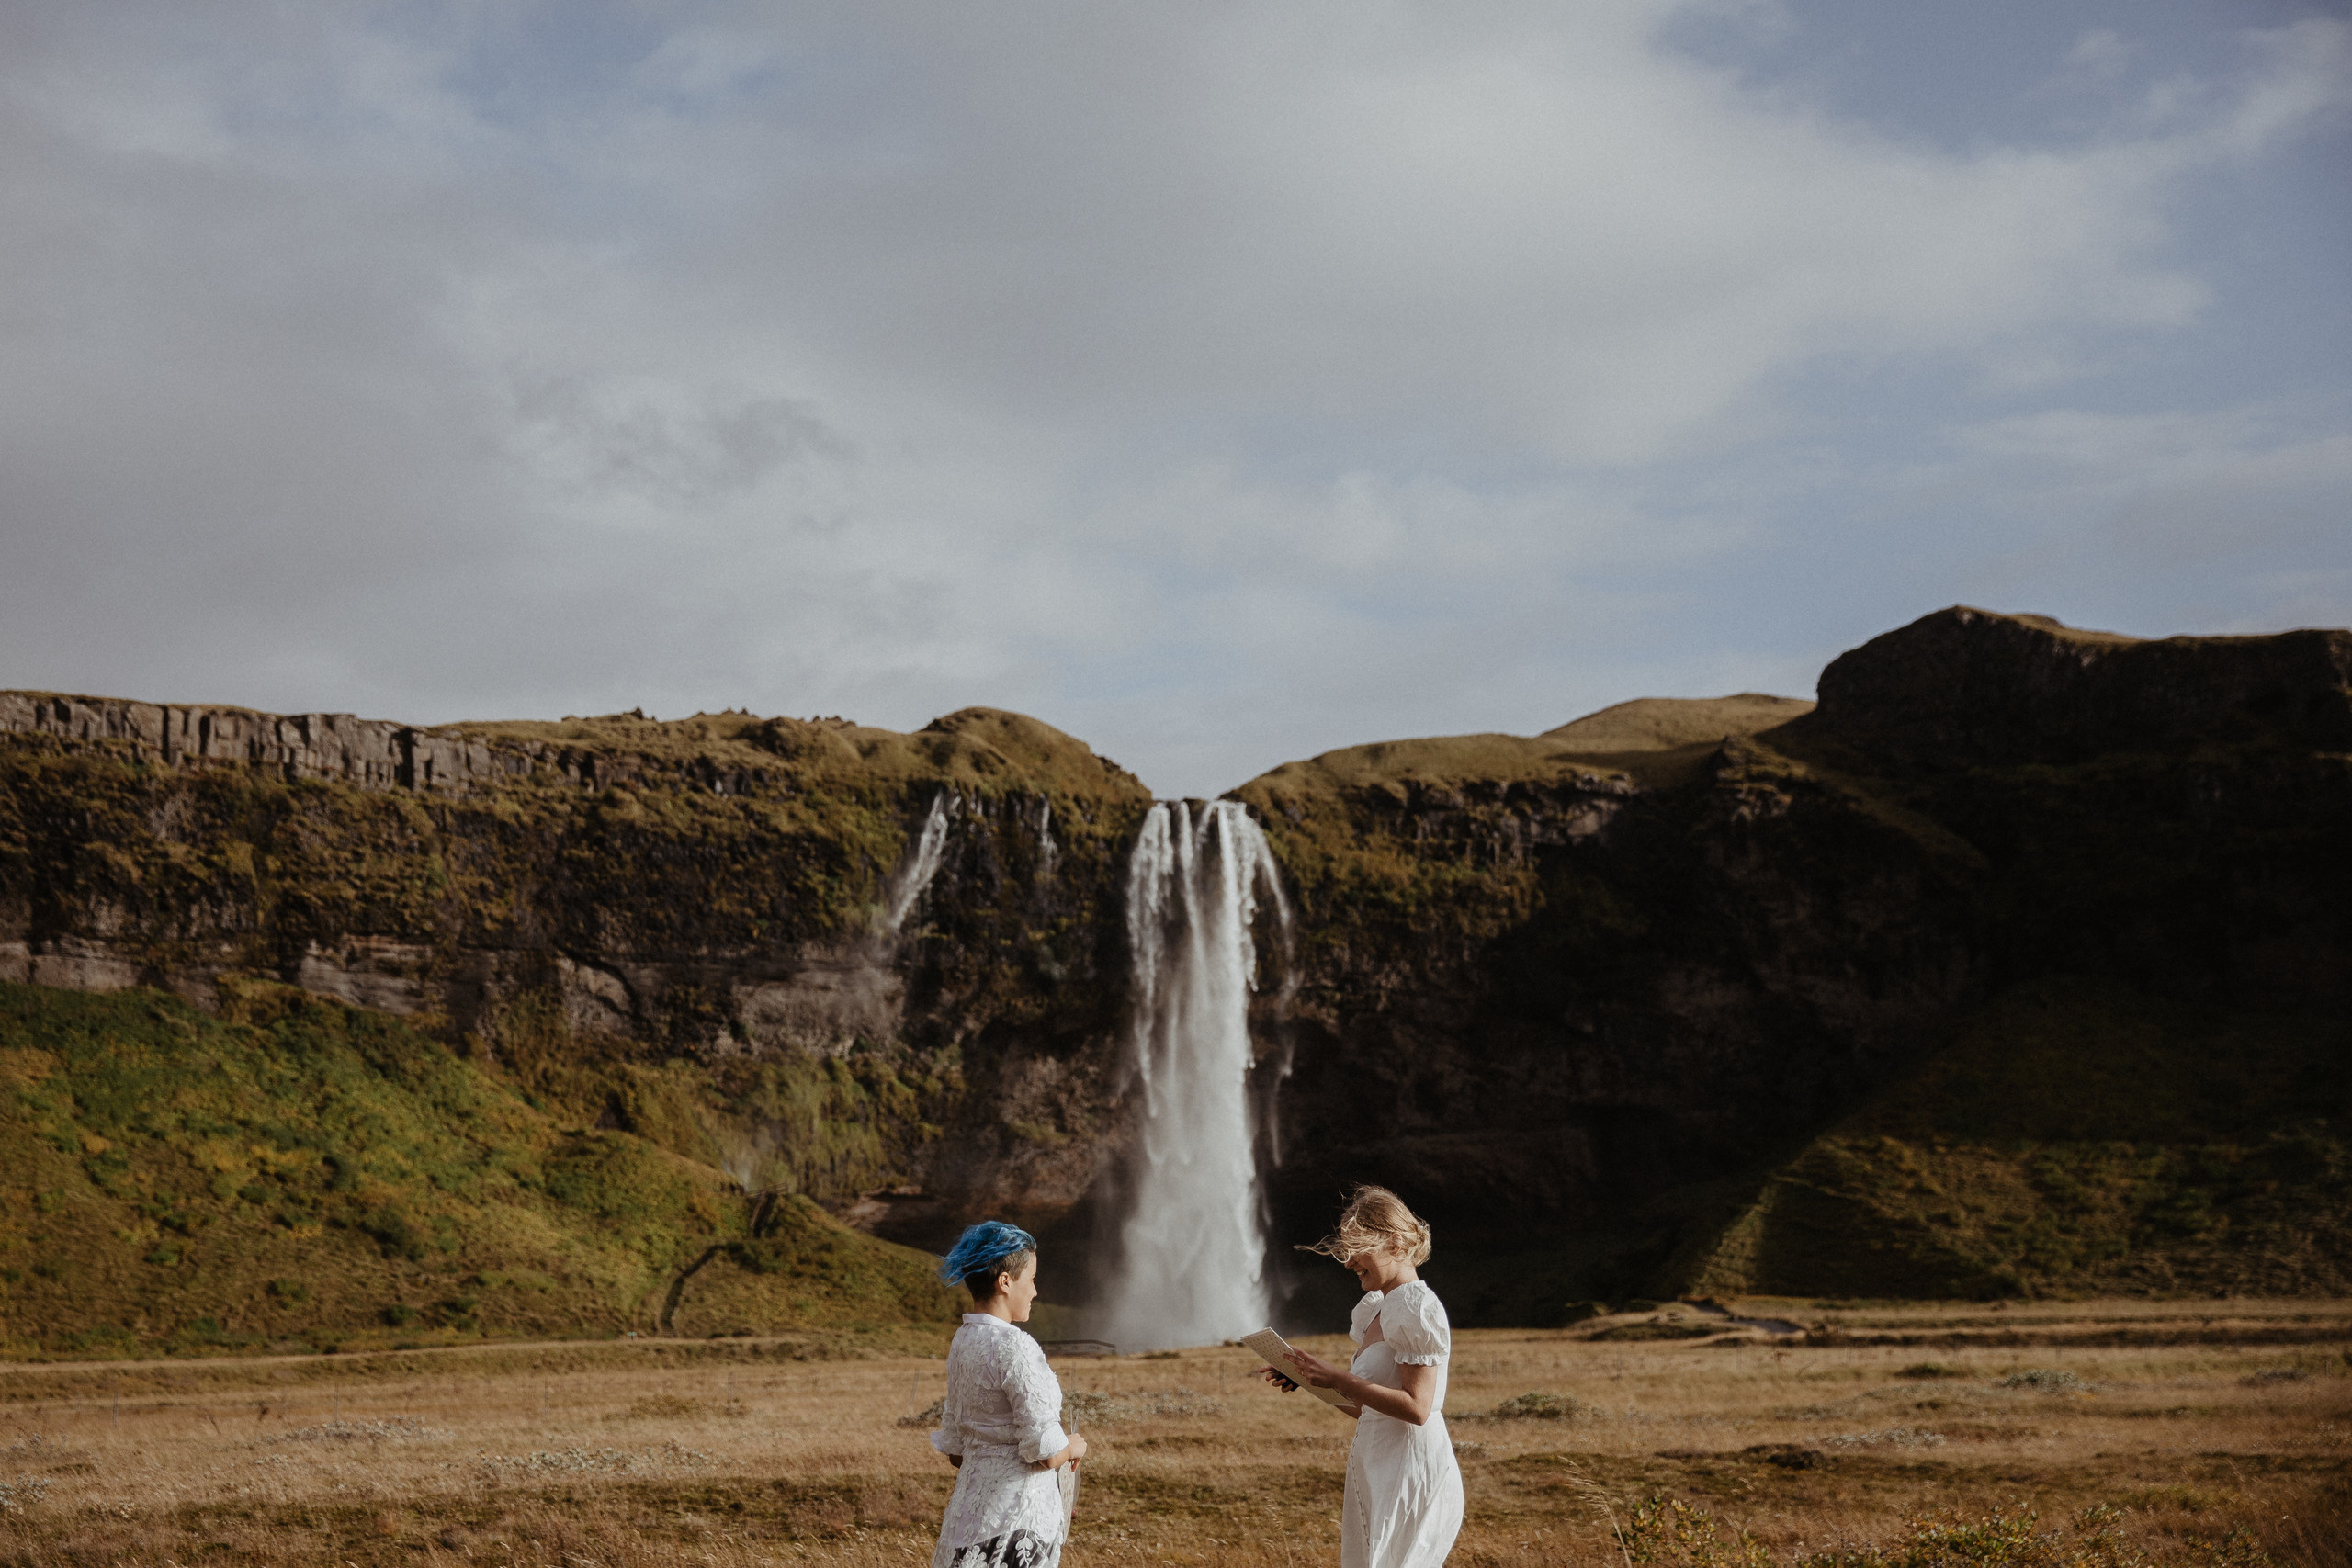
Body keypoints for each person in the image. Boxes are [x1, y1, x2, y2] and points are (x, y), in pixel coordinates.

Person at [1265, 1187, 1464, 1568]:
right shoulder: (1377, 1308)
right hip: (1377, 1462)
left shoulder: (1413, 1305)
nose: (1347, 1262)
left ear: (1394, 1242)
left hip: (1408, 1465)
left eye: (1357, 1248)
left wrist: (1339, 1377)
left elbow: (1418, 1409)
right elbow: (1366, 1407)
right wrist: (1305, 1377)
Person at [927, 1221, 1087, 1568]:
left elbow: (956, 1451)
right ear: (1005, 1282)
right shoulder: (1015, 1348)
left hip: (966, 1521)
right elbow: (1045, 1454)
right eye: (1030, 1280)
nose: (1035, 1291)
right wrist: (1074, 1445)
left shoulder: (962, 1342)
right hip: (1017, 1527)